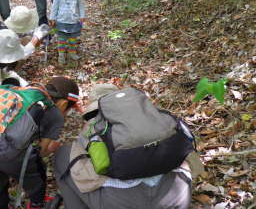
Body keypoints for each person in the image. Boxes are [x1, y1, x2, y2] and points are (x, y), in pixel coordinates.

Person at [53, 84, 203, 209]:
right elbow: (192, 159)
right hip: (177, 198)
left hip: (122, 203)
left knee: (63, 155)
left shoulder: (93, 127)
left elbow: (87, 171)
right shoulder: (157, 117)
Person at [0, 76, 80, 209]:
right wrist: (52, 148)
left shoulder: (25, 92)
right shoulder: (56, 115)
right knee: (38, 173)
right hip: (9, 154)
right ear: (63, 104)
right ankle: (36, 204)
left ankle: (0, 205)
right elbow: (41, 151)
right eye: (68, 109)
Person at [49, 0, 85, 65]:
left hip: (74, 22)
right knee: (62, 40)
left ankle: (72, 53)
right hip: (61, 23)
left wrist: (82, 16)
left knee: (72, 40)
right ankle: (61, 55)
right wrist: (52, 18)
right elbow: (54, 8)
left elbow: (81, 6)